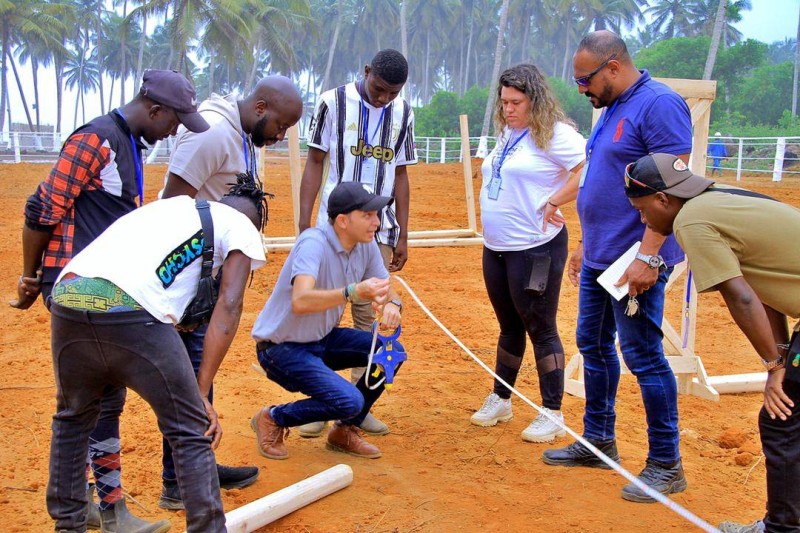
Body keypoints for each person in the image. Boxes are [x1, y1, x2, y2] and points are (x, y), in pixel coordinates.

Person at [11, 69, 209, 531]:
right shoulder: (96, 140)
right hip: (81, 289)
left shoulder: (127, 144)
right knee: (84, 406)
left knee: (102, 402)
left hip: (115, 289)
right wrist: (29, 276)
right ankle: (92, 511)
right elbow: (43, 208)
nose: (175, 130)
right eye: (174, 120)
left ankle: (108, 507)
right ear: (154, 108)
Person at [45, 181, 268, 533]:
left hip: (69, 295)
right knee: (190, 428)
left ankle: (68, 525)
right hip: (132, 308)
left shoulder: (173, 210)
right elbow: (229, 305)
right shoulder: (242, 225)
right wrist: (200, 392)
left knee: (73, 419)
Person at [541, 30, 692, 503]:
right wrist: (587, 243)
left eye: (585, 79)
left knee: (644, 357)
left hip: (636, 260)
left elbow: (674, 188)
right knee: (593, 344)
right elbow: (602, 183)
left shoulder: (659, 105)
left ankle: (667, 465)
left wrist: (650, 255)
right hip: (602, 257)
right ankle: (598, 440)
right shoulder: (609, 109)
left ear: (612, 67)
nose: (581, 89)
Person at [624, 153, 800, 533]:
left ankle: (782, 529)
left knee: (784, 419)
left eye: (641, 210)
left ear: (663, 200)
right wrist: (782, 355)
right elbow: (762, 286)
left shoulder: (692, 220)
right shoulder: (721, 197)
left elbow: (742, 297)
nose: (643, 220)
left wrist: (773, 368)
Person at [157, 75, 303, 510]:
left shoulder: (241, 135)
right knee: (190, 380)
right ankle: (179, 483)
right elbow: (172, 207)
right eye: (279, 126)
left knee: (201, 375)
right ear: (260, 108)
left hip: (212, 272)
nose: (279, 137)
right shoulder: (215, 135)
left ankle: (192, 471)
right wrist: (194, 284)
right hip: (189, 282)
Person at [296, 49, 417, 438]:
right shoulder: (333, 103)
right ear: (366, 72)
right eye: (379, 88)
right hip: (333, 229)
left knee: (374, 321)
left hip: (379, 232)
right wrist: (304, 225)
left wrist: (403, 231)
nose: (383, 99)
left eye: (392, 93)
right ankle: (320, 400)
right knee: (322, 316)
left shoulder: (404, 114)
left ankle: (358, 407)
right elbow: (315, 162)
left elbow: (400, 175)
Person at [469, 63, 585, 444]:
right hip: (497, 248)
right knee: (509, 326)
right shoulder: (509, 133)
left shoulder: (555, 134)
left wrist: (555, 199)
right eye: (503, 102)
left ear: (535, 100)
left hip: (537, 249)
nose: (508, 109)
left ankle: (552, 411)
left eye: (516, 102)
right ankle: (502, 398)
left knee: (541, 326)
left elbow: (588, 169)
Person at [251, 182, 404, 460]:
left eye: (376, 214)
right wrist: (352, 292)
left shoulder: (365, 245)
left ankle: (344, 429)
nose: (377, 221)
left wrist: (392, 304)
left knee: (388, 352)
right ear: (343, 221)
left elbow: (387, 288)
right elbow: (301, 299)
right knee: (349, 400)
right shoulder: (313, 243)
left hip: (320, 339)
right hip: (281, 348)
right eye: (368, 214)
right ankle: (273, 417)